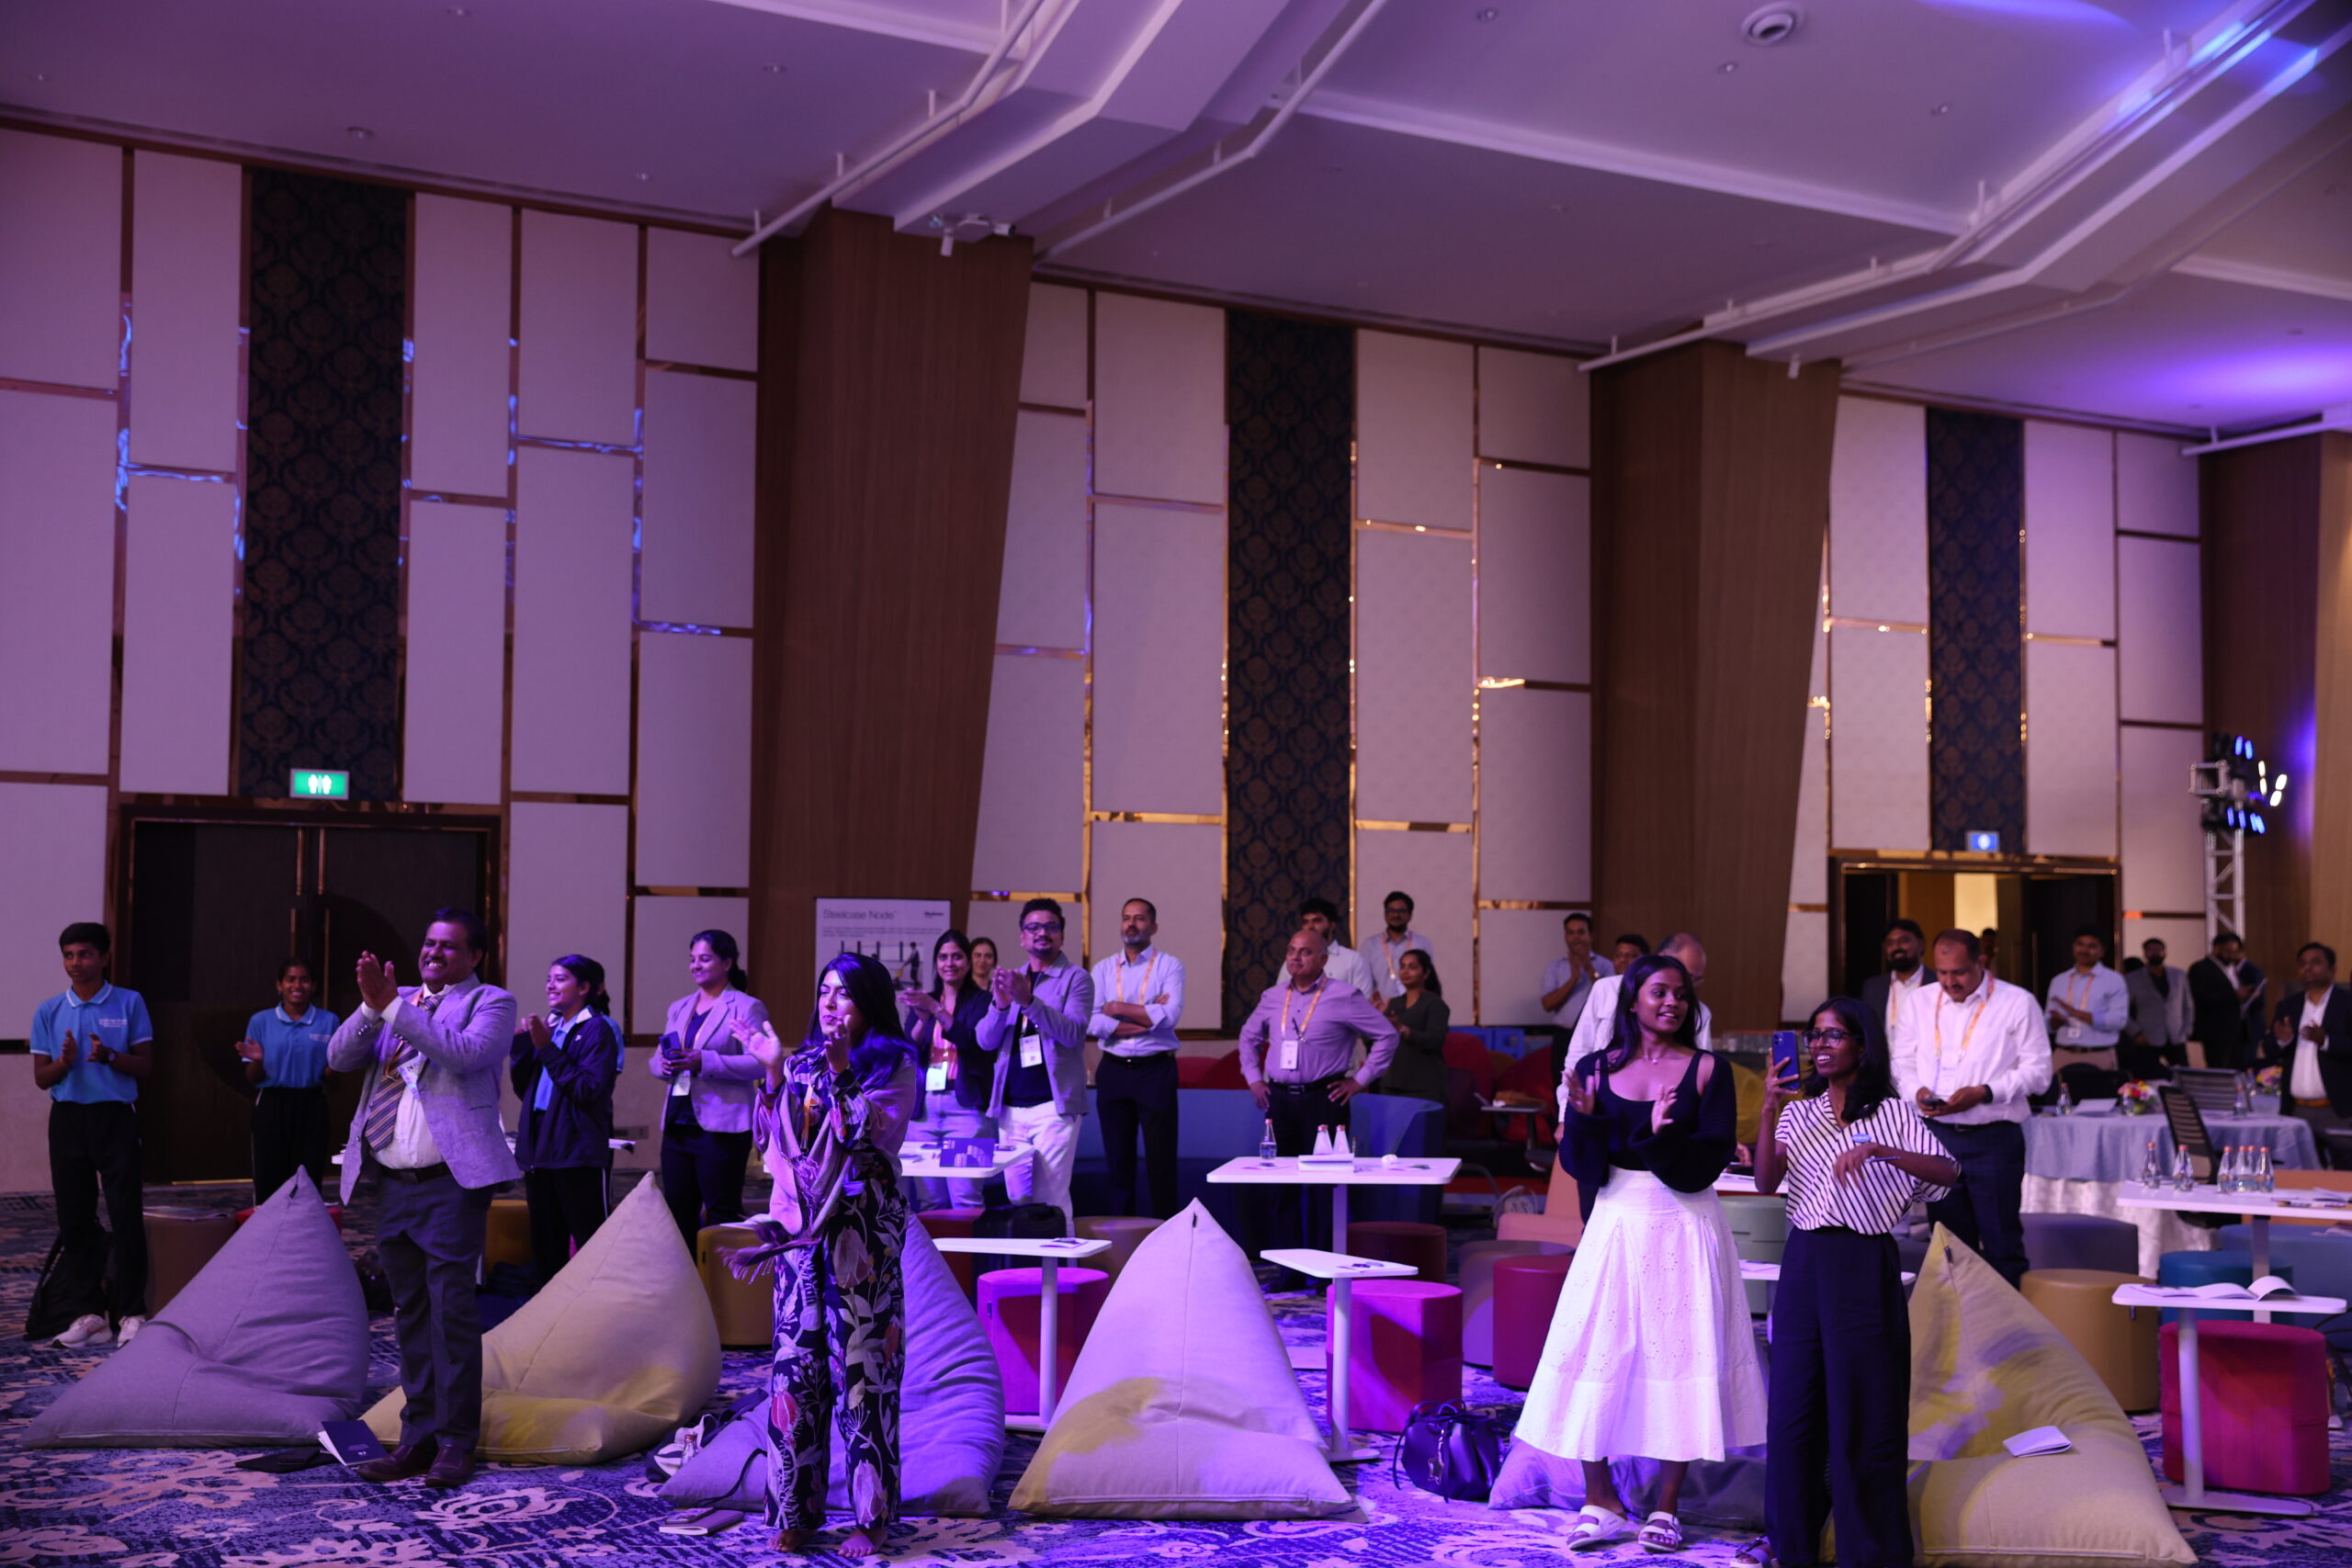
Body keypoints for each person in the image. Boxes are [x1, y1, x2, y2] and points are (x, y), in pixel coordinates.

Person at [1496, 953, 1763, 1551]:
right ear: (1633, 999)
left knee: (1679, 1354)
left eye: (1681, 994)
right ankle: (1601, 1498)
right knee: (1593, 1349)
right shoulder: (1594, 1068)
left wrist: (1663, 1134)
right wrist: (1585, 1120)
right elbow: (1582, 1167)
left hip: (1684, 1221)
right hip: (1616, 1217)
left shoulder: (1708, 1069)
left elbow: (1702, 1167)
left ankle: (1666, 1507)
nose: (1673, 1003)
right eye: (1660, 992)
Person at [1752, 997, 1959, 1568]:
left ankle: (1869, 1552)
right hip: (1804, 1262)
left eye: (1833, 1036)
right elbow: (1766, 1182)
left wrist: (1880, 1150)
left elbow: (1948, 1174)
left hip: (1863, 1262)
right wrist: (1768, 1109)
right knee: (1793, 1409)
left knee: (1864, 1408)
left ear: (1862, 1047)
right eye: (1814, 1036)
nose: (1820, 1046)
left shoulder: (1894, 1113)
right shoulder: (1798, 1113)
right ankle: (1792, 1544)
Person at [729, 953, 919, 1561]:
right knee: (796, 1377)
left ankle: (872, 1518)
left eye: (845, 993)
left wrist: (840, 1072)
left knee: (864, 1378)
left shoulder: (896, 1062)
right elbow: (770, 1141)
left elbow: (865, 1134)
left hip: (862, 1239)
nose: (831, 1003)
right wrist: (772, 1073)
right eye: (825, 991)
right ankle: (796, 1510)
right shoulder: (801, 1061)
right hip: (801, 1239)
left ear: (870, 1003)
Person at [327, 908, 520, 1489]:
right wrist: (371, 1008)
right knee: (409, 1312)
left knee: (451, 1314)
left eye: (449, 946)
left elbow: (462, 1054)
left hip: (451, 1185)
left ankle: (457, 1441)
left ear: (475, 956)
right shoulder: (396, 1002)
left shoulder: (491, 1002)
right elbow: (338, 1057)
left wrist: (393, 1007)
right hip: (393, 1184)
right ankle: (419, 1436)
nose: (434, 953)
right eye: (429, 943)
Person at [1888, 929, 2051, 1287]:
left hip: (1993, 1138)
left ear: (1981, 962)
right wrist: (1917, 1092)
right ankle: (1956, 1321)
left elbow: (2039, 1073)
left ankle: (2008, 1322)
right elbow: (1900, 1062)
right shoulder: (1920, 1001)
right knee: (1947, 1244)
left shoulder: (2016, 1002)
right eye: (1942, 972)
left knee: (2001, 1242)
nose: (1949, 982)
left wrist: (1985, 1092)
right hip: (1936, 1138)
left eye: (1959, 972)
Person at [1239, 928, 1399, 1269]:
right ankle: (1289, 1268)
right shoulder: (1272, 996)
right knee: (1281, 1188)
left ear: (1323, 960)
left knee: (1322, 1190)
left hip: (1324, 1100)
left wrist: (1359, 1081)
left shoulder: (1344, 996)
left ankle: (1323, 1268)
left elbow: (1387, 1036)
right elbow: (1248, 1038)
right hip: (1279, 1100)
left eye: (1305, 952)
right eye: (1291, 950)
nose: (1295, 957)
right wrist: (1253, 1078)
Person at [30, 921, 154, 1348]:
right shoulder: (49, 1010)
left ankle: (131, 1311)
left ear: (103, 957)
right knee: (75, 1218)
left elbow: (145, 1065)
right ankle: (88, 1314)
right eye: (68, 955)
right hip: (68, 1121)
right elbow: (41, 1078)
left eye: (84, 954)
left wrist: (110, 1056)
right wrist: (64, 1063)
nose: (75, 963)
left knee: (125, 1213)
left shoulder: (129, 1002)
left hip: (115, 1118)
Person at [979, 897, 1093, 1233]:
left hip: (1053, 1107)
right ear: (1022, 937)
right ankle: (1029, 1264)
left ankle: (1061, 1265)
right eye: (1034, 927)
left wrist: (1028, 1001)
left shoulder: (1076, 979)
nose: (1042, 933)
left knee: (1050, 1198)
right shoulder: (1011, 979)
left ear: (1061, 936)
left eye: (1050, 927)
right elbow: (985, 1040)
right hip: (1011, 1108)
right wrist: (1001, 1006)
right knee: (1018, 1197)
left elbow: (1073, 1033)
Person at [651, 930, 770, 1242]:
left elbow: (760, 1063)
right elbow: (655, 1059)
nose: (695, 966)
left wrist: (705, 1061)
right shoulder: (679, 1007)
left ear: (727, 962)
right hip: (677, 1123)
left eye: (704, 959)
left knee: (722, 1210)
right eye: (692, 959)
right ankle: (687, 1273)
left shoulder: (746, 1006)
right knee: (678, 1209)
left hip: (721, 1128)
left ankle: (722, 1274)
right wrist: (664, 1065)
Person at [509, 954, 620, 1287]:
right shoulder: (552, 1025)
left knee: (590, 1243)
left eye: (560, 979)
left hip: (577, 1151)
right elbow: (525, 1090)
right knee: (546, 1247)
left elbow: (587, 1089)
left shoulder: (597, 1029)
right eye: (549, 979)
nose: (550, 985)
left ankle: (595, 1313)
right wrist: (523, 1047)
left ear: (584, 988)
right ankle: (551, 1312)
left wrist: (546, 1047)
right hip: (541, 1148)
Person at [1087, 898, 1186, 1219]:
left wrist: (1116, 1008)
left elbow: (1170, 1016)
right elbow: (1091, 1021)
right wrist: (1146, 1017)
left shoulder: (1169, 966)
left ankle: (1166, 1232)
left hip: (1155, 1070)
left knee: (1161, 1162)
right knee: (1118, 1164)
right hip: (1114, 1070)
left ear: (1153, 927)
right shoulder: (1102, 969)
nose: (1132, 924)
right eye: (1126, 918)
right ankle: (1122, 1238)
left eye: (1140, 919)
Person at [901, 929, 996, 1209]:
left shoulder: (982, 1001)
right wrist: (922, 1020)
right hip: (924, 1112)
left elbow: (973, 1043)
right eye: (943, 957)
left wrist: (937, 1010)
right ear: (936, 962)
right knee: (930, 1201)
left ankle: (969, 1242)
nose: (949, 963)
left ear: (968, 962)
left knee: (966, 1199)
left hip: (966, 1110)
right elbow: (908, 1051)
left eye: (957, 956)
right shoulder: (926, 1000)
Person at [238, 957, 339, 1207]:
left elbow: (332, 1076)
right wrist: (258, 1061)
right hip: (272, 1104)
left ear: (313, 985)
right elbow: (252, 1078)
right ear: (279, 985)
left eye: (304, 980)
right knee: (269, 1176)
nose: (297, 985)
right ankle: (268, 1229)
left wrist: (340, 1062)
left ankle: (305, 1230)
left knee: (308, 1178)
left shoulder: (328, 1021)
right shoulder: (261, 1021)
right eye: (290, 979)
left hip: (312, 1104)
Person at [1566, 931, 1713, 1074]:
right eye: (1659, 993)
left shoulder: (1699, 1012)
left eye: (1695, 979)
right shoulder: (1606, 989)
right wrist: (1572, 1089)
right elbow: (1579, 1050)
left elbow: (1702, 1068)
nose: (1672, 1001)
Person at [2272, 942, 2352, 1164]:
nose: (2307, 968)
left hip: (2338, 1110)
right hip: (2297, 1111)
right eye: (2303, 964)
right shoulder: (2288, 1005)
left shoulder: (2347, 1003)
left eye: (2315, 962)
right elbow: (2268, 1050)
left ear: (2332, 969)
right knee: (2301, 1176)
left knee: (2345, 1174)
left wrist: (2326, 1041)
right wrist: (2282, 1041)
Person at [2043, 926, 2131, 1078]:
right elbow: (2047, 1025)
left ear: (2102, 951)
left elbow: (2118, 1021)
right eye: (2080, 944)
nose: (2084, 950)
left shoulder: (2114, 980)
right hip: (2063, 1053)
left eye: (2092, 946)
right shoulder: (2059, 980)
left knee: (2101, 1094)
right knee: (2057, 1093)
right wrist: (2056, 1022)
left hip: (2098, 1054)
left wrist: (2078, 1014)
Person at [1541, 912, 1612, 1080]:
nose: (1576, 937)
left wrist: (1588, 968)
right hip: (1563, 1036)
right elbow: (1547, 1004)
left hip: (1597, 1037)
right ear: (1565, 936)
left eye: (1581, 932)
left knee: (1594, 1083)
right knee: (1560, 1083)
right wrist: (1574, 978)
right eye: (1570, 933)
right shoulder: (1555, 967)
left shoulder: (1606, 965)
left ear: (1591, 935)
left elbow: (1610, 1000)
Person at [1376, 949, 1451, 1103]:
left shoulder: (1434, 1003)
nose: (1405, 971)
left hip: (1423, 1085)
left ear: (1426, 973)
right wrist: (1375, 1018)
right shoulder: (1393, 1004)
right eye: (1402, 966)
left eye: (1412, 967)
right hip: (1392, 1083)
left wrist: (1402, 1029)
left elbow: (1435, 1040)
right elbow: (1375, 1042)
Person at [2189, 930, 2266, 1071]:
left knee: (2237, 1068)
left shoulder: (2231, 968)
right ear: (2216, 948)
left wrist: (2248, 994)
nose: (2232, 956)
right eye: (2228, 951)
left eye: (2234, 952)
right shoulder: (2201, 968)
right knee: (2219, 1068)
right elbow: (2201, 996)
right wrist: (2234, 995)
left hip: (2237, 1029)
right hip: (2216, 1030)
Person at [2125, 936, 2192, 1078]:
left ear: (2165, 952)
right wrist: (2135, 1032)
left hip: (2176, 1035)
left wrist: (2187, 1030)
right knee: (2147, 1077)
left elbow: (2188, 1006)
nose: (2155, 953)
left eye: (2158, 950)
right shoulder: (2133, 978)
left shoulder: (2179, 975)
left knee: (2183, 1076)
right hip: (2147, 1037)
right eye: (2151, 950)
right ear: (2145, 953)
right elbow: (2123, 1010)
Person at [1857, 919, 1927, 1054]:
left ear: (1921, 944)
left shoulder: (1938, 983)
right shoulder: (1873, 987)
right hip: (1885, 1063)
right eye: (1890, 943)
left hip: (1924, 1062)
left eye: (1903, 941)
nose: (1896, 947)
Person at [1297, 897, 1379, 998]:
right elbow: (1282, 998)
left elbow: (1363, 1001)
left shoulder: (1353, 960)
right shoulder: (1295, 960)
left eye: (1316, 921)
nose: (1310, 927)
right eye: (1305, 922)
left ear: (1332, 925)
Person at [1372, 890, 1432, 1000]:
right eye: (1391, 911)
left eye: (1401, 911)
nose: (1396, 915)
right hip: (1380, 1007)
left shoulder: (1422, 943)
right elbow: (1366, 982)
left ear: (1410, 915)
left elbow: (1428, 980)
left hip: (1414, 1006)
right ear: (1385, 914)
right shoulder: (1370, 945)